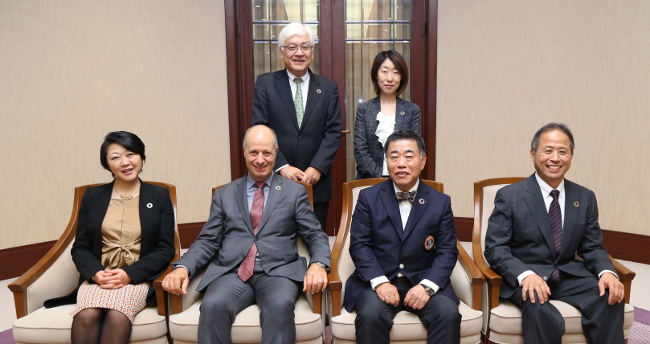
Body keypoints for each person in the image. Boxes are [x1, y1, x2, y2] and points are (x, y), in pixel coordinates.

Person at [162, 125, 331, 344]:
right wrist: (182, 267)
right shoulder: (225, 194)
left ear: (276, 152)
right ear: (244, 152)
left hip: (277, 272)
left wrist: (318, 264)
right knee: (213, 306)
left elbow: (315, 234)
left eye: (266, 153)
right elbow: (208, 240)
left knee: (279, 306)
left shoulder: (294, 192)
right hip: (232, 272)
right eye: (254, 152)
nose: (260, 160)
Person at [484, 123, 625, 344]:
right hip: (527, 276)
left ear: (571, 156)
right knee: (539, 306)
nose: (555, 158)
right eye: (547, 150)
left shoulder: (585, 197)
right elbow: (495, 248)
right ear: (533, 154)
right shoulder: (510, 196)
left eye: (563, 151)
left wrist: (607, 272)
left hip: (567, 275)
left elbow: (592, 247)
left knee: (609, 296)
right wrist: (525, 275)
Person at [43, 131, 176, 344]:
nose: (125, 162)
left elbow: (165, 248)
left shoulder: (159, 196)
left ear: (141, 156)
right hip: (99, 278)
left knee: (117, 314)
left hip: (136, 278)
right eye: (115, 157)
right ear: (107, 164)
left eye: (131, 154)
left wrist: (128, 274)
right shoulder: (93, 197)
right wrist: (95, 273)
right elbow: (81, 247)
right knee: (87, 314)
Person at [344, 128, 461, 344]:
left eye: (409, 156)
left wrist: (427, 286)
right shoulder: (368, 198)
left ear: (422, 161)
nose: (401, 163)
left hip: (422, 278)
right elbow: (359, 245)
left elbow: (447, 250)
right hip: (379, 278)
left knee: (448, 315)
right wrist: (380, 283)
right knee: (370, 316)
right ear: (386, 161)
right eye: (394, 157)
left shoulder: (440, 201)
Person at [252, 22, 342, 233]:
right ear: (281, 52)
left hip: (316, 181)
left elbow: (333, 131)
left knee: (315, 237)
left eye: (305, 46)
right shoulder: (265, 84)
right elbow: (259, 128)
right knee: (276, 239)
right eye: (292, 47)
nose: (299, 53)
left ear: (312, 52)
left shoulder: (328, 88)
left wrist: (317, 167)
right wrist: (282, 166)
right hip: (276, 177)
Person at [354, 50, 421, 179]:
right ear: (376, 75)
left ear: (402, 77)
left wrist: (397, 177)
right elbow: (360, 150)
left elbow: (414, 150)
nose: (389, 78)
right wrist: (380, 177)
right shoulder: (364, 109)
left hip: (403, 181)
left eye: (396, 72)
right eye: (384, 71)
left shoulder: (412, 110)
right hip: (369, 181)